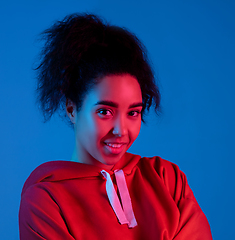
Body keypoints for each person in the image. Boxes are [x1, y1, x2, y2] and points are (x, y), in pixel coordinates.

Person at [19, 13, 212, 240]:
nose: (121, 130)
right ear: (72, 109)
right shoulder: (45, 200)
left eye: (133, 112)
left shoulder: (167, 179)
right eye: (105, 112)